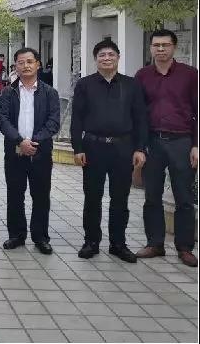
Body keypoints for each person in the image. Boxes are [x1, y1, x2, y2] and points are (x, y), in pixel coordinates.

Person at [71, 39, 147, 263]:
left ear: (118, 58)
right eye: (102, 55)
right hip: (93, 147)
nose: (106, 58)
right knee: (92, 197)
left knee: (120, 198)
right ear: (96, 59)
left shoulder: (131, 85)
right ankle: (91, 241)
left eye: (111, 54)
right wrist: (77, 148)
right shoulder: (85, 85)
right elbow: (77, 119)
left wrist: (140, 148)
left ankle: (118, 243)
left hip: (123, 148)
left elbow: (141, 119)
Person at [135, 29, 198, 268]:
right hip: (152, 142)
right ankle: (155, 243)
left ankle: (185, 248)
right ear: (151, 48)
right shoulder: (142, 76)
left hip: (182, 142)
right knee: (152, 195)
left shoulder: (190, 75)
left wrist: (196, 145)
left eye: (165, 45)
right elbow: (137, 114)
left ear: (174, 47)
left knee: (184, 197)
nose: (160, 49)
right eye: (156, 45)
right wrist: (139, 147)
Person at [0, 47, 60, 255]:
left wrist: (34, 142)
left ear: (38, 65)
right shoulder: (8, 92)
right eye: (21, 62)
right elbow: (3, 120)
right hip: (15, 152)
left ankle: (40, 237)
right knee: (15, 195)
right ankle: (16, 235)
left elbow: (53, 122)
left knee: (41, 196)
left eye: (30, 61)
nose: (25, 66)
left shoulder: (50, 93)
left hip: (40, 153)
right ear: (15, 66)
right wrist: (19, 141)